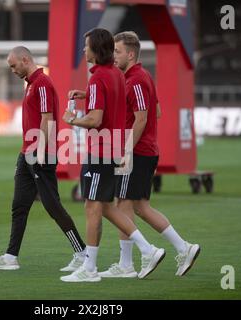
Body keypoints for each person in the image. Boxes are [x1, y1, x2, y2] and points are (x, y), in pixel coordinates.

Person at [60, 28, 165, 282]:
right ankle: (148, 249)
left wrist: (72, 119)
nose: (83, 50)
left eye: (86, 46)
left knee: (93, 207)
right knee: (107, 206)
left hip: (100, 150)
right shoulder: (117, 75)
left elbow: (96, 119)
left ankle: (90, 268)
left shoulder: (97, 78)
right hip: (113, 149)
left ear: (96, 49)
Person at [98, 31, 200, 278]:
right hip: (143, 150)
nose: (113, 56)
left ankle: (127, 264)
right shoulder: (139, 78)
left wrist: (126, 149)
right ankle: (183, 248)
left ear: (130, 54)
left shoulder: (135, 80)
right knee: (140, 207)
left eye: (118, 52)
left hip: (137, 152)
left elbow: (144, 117)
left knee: (123, 205)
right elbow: (157, 110)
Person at [0, 46, 87, 271]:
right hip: (26, 153)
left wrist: (39, 152)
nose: (12, 70)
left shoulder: (42, 84)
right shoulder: (31, 84)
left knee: (52, 205)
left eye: (13, 65)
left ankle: (82, 252)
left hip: (41, 154)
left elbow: (48, 119)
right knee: (19, 205)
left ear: (25, 59)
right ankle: (11, 257)